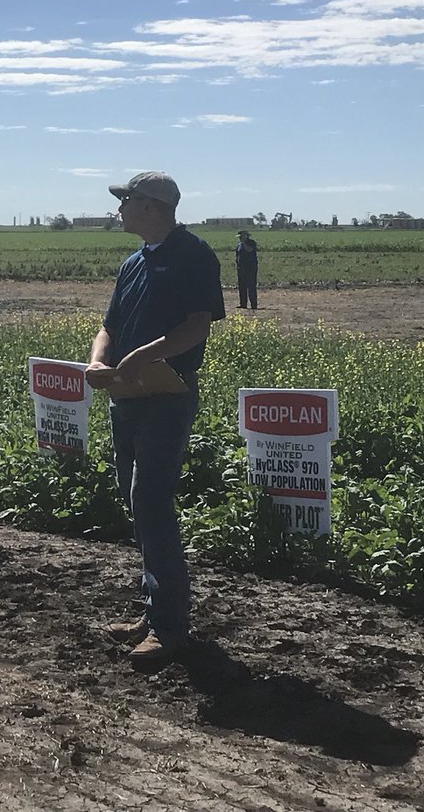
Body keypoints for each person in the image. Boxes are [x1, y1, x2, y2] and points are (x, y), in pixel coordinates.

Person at [85, 171, 225, 664]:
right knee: (137, 502)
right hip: (126, 395)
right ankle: (153, 610)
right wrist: (99, 360)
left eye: (125, 200)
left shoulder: (194, 255)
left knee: (151, 501)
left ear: (149, 205)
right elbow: (109, 326)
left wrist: (141, 357)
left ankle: (169, 626)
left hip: (166, 396)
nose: (118, 209)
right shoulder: (133, 262)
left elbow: (196, 327)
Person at [235, 229, 259, 309]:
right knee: (242, 286)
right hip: (241, 268)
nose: (240, 238)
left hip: (250, 268)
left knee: (251, 286)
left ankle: (253, 304)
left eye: (241, 237)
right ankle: (243, 304)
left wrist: (244, 243)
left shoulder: (251, 243)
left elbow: (249, 250)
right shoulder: (239, 245)